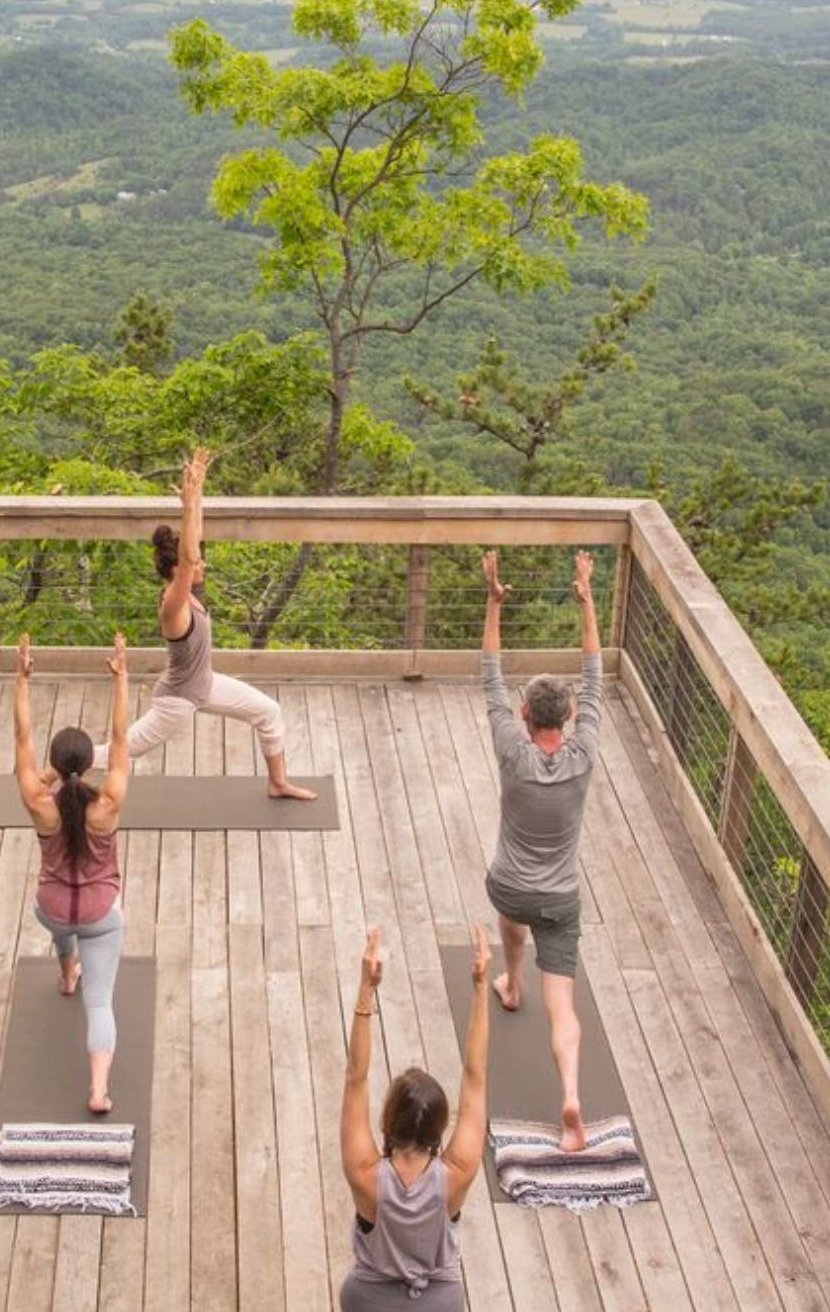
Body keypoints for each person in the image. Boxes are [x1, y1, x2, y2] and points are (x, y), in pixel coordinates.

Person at [479, 548, 603, 1152]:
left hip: (509, 885)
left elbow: (490, 673)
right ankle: (572, 1096)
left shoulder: (511, 749)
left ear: (525, 716)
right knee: (565, 1011)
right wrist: (587, 599)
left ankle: (510, 979)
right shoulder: (583, 757)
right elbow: (595, 670)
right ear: (571, 716)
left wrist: (493, 602)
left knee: (509, 913)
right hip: (560, 899)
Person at [104, 446, 315, 799]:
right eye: (194, 563)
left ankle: (277, 782)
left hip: (205, 684)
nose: (202, 564)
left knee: (268, 712)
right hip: (178, 699)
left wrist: (198, 486)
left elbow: (194, 540)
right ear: (177, 571)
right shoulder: (173, 604)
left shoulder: (193, 592)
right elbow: (189, 556)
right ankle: (54, 771)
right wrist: (185, 506)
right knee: (121, 750)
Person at [12, 630, 133, 1113]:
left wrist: (21, 679)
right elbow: (122, 738)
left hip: (52, 910)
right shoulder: (108, 804)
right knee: (99, 1002)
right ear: (89, 765)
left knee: (60, 920)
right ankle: (98, 1091)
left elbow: (22, 738)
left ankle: (66, 973)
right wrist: (121, 677)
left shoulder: (40, 803)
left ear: (56, 768)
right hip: (101, 915)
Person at [339, 924, 491, 1311]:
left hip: (368, 1302)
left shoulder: (364, 1175)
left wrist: (366, 989)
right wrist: (479, 988)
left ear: (387, 1122)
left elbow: (355, 1077)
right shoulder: (456, 1175)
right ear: (439, 1128)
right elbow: (476, 1076)